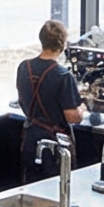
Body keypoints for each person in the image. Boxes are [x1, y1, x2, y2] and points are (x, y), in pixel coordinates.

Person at [13, 19, 86, 190]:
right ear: (63, 44)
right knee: (55, 191)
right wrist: (82, 108)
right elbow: (72, 117)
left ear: (42, 40)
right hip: (54, 143)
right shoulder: (63, 76)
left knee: (31, 190)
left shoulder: (24, 67)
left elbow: (22, 101)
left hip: (30, 138)